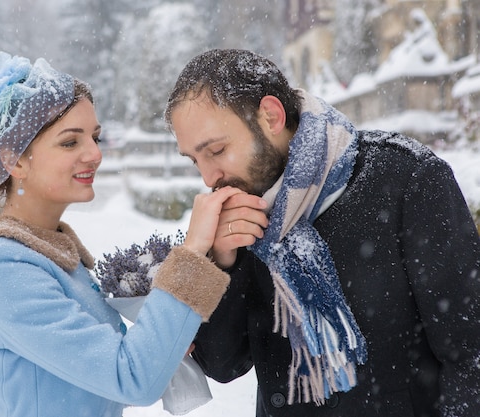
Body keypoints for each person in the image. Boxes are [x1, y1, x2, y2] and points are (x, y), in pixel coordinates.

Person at [164, 48, 480, 417]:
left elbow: (470, 351)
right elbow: (223, 365)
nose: (207, 178)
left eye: (216, 150)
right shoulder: (241, 208)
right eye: (194, 160)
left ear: (271, 116)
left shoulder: (406, 177)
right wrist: (220, 261)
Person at [0, 51, 244, 417]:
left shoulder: (56, 257)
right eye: (70, 142)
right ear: (14, 161)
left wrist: (167, 324)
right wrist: (194, 250)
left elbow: (108, 382)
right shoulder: (1, 266)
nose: (95, 154)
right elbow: (132, 378)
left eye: (95, 137)